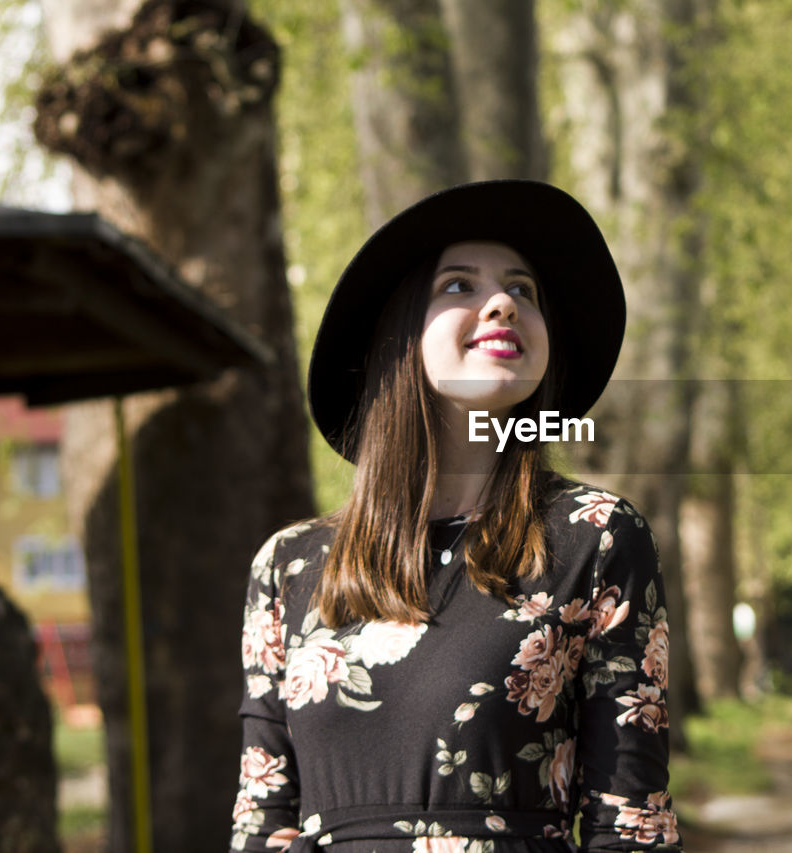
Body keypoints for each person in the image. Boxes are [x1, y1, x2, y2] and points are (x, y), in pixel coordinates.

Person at [229, 181, 680, 853]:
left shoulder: (595, 535)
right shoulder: (289, 564)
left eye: (523, 290)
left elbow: (632, 824)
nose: (502, 302)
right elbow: (260, 817)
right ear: (397, 333)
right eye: (459, 285)